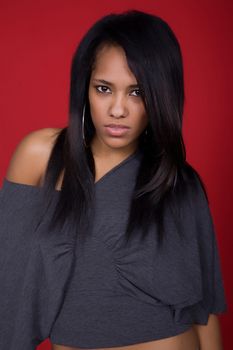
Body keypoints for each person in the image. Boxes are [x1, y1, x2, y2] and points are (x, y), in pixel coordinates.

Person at [0, 9, 227, 350]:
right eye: (104, 88)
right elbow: (10, 283)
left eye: (137, 93)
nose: (118, 109)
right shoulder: (40, 155)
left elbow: (202, 310)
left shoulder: (180, 184)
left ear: (161, 97)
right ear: (85, 88)